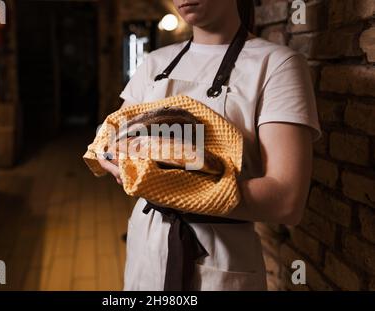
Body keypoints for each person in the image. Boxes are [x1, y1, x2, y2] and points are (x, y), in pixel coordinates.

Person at [98, 0, 321, 291]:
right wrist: (111, 155)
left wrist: (162, 185)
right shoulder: (154, 63)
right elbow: (113, 138)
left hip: (221, 257)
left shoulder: (277, 65)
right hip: (146, 244)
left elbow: (286, 201)